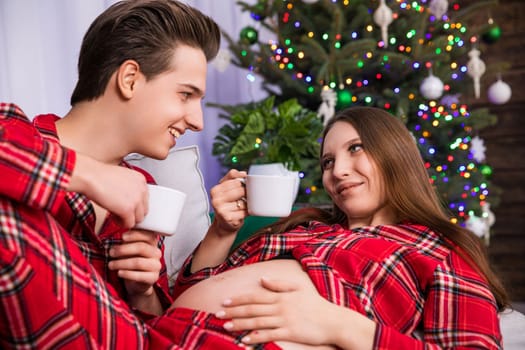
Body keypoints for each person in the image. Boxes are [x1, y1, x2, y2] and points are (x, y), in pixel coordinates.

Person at [0, 1, 262, 348]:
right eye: (185, 94)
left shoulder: (145, 189)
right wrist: (86, 173)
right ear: (130, 79)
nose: (197, 120)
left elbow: (151, 329)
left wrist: (143, 293)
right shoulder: (15, 135)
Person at [171, 106, 509, 349]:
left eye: (356, 149)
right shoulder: (303, 227)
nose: (338, 171)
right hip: (171, 332)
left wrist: (342, 326)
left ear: (395, 154)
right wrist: (221, 231)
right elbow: (187, 292)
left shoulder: (439, 249)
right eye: (328, 162)